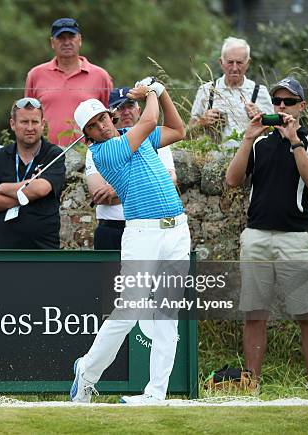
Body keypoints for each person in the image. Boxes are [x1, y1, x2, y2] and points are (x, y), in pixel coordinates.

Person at [70, 77, 189, 404]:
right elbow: (149, 119)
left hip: (177, 228)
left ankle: (155, 393)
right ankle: (87, 373)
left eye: (103, 119)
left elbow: (178, 130)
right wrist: (152, 90)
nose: (102, 127)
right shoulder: (104, 153)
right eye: (93, 126)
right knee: (129, 309)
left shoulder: (133, 135)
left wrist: (163, 93)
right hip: (143, 232)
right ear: (88, 137)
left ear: (111, 116)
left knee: (168, 313)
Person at [225, 77, 308, 389]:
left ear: (302, 106)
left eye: (288, 102)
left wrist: (294, 140)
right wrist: (247, 138)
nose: (281, 107)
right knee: (255, 313)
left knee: (306, 312)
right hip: (256, 236)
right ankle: (253, 383)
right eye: (277, 102)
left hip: (295, 237)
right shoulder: (258, 143)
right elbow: (232, 180)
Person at [86, 87, 178, 250]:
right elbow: (99, 195)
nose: (125, 112)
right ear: (113, 114)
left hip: (158, 226)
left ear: (138, 109)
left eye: (129, 106)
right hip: (113, 227)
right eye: (120, 108)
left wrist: (116, 192)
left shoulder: (149, 137)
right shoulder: (101, 150)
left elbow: (171, 181)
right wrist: (152, 92)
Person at [0, 98, 65, 249]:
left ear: (43, 124)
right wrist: (28, 196)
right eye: (24, 122)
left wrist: (3, 188)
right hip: (5, 249)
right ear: (13, 124)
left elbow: (41, 189)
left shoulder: (54, 154)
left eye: (35, 122)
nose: (30, 127)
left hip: (44, 249)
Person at [25, 17, 113, 146]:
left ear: (80, 40)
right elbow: (28, 117)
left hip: (90, 153)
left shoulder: (100, 76)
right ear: (52, 42)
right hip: (45, 154)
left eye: (71, 37)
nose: (66, 42)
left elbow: (110, 118)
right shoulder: (36, 75)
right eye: (61, 38)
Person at [190, 37, 273, 147]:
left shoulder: (259, 91)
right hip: (213, 162)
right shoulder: (206, 90)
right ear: (221, 62)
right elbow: (188, 135)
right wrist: (202, 122)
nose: (234, 68)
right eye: (230, 62)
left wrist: (262, 118)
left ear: (248, 63)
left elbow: (274, 132)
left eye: (239, 63)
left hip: (251, 160)